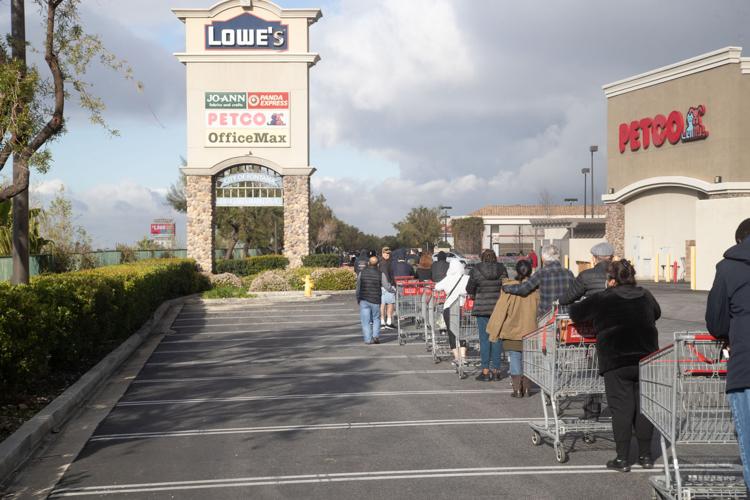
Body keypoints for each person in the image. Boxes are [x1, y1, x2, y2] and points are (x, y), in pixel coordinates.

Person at [569, 260, 659, 472]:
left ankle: (622, 458)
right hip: (646, 356)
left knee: (621, 408)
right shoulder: (645, 294)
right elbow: (656, 312)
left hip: (616, 358)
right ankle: (646, 456)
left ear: (611, 280)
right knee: (643, 407)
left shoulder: (603, 298)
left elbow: (576, 312)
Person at [706, 218, 750, 490]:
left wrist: (728, 335)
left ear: (738, 241)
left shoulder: (727, 268)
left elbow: (716, 321)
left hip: (745, 364)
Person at [559, 241, 616, 420]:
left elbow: (568, 297)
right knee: (616, 372)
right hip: (620, 329)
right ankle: (619, 410)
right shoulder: (620, 274)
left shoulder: (587, 276)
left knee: (595, 371)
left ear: (594, 258)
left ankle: (592, 412)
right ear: (612, 258)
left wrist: (564, 301)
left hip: (596, 330)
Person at [487, 259, 538, 397]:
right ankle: (527, 387)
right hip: (532, 330)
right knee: (529, 358)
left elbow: (500, 311)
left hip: (512, 329)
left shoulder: (508, 288)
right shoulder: (536, 289)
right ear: (531, 271)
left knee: (515, 357)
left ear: (516, 271)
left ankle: (517, 389)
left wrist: (493, 331)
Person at [466, 249, 508, 381]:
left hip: (482, 308)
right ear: (495, 258)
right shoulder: (502, 269)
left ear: (482, 258)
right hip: (498, 309)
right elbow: (506, 286)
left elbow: (469, 288)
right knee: (496, 339)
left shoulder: (476, 269)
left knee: (484, 340)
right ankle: (496, 371)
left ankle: (485, 371)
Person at [503, 245, 574, 320]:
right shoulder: (569, 273)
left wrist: (506, 287)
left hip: (547, 317)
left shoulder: (541, 273)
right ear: (558, 257)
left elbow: (523, 289)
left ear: (543, 258)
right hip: (566, 316)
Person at [434, 258, 470, 365]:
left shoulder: (448, 278)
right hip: (462, 308)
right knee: (462, 332)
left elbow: (436, 287)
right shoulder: (466, 278)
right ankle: (463, 356)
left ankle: (456, 357)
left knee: (452, 333)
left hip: (449, 308)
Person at [356, 256, 383, 344]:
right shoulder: (380, 273)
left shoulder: (362, 273)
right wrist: (392, 290)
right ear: (377, 264)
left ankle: (368, 339)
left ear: (368, 263)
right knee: (376, 318)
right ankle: (375, 336)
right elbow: (386, 285)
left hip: (364, 299)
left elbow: (358, 286)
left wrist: (358, 297)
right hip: (375, 299)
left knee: (365, 321)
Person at [379, 247, 395, 330]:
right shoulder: (384, 263)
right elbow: (385, 277)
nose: (387, 254)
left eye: (388, 253)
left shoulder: (387, 262)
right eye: (386, 253)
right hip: (386, 286)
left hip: (383, 286)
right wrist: (390, 287)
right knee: (388, 304)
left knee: (384, 304)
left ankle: (384, 322)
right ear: (382, 253)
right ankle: (386, 322)